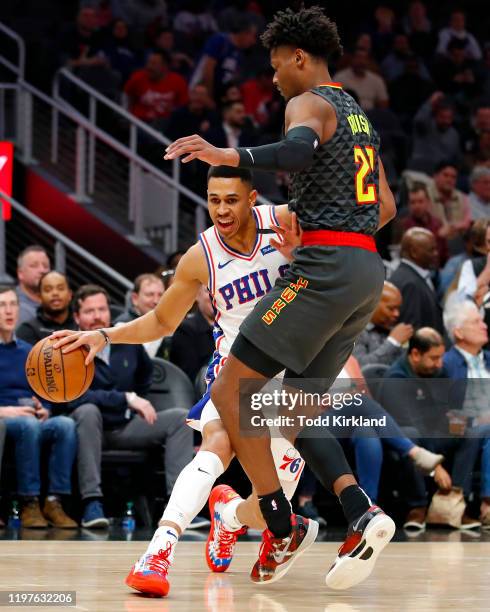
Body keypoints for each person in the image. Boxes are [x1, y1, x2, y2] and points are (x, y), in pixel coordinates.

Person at [54, 163, 388, 596]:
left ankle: (228, 515)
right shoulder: (201, 256)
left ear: (253, 199)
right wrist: (104, 334)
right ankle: (159, 551)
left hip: (290, 378)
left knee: (270, 507)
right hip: (235, 369)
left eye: (232, 200)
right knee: (216, 446)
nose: (222, 210)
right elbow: (161, 320)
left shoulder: (286, 222)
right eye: (214, 200)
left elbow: (353, 234)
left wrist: (307, 250)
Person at [162, 5, 397, 589]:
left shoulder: (308, 101)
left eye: (274, 67)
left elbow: (294, 153)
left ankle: (278, 520)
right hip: (367, 269)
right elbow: (386, 208)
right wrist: (322, 220)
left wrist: (227, 155)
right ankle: (360, 511)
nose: (272, 79)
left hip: (323, 270)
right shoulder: (357, 114)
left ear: (299, 58)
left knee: (229, 389)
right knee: (293, 404)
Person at [53, 284, 193, 529]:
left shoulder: (127, 340)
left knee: (181, 419)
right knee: (87, 411)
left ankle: (178, 508)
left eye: (102, 309)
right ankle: (91, 503)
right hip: (85, 430)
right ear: (76, 317)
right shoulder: (65, 350)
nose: (97, 316)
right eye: (89, 311)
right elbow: (72, 399)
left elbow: (145, 374)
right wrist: (126, 398)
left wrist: (136, 400)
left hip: (125, 426)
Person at [384, 328, 482, 530]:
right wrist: (436, 465)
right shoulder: (395, 378)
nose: (440, 363)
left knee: (471, 434)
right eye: (434, 358)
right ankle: (417, 506)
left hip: (434, 433)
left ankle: (455, 502)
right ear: (415, 354)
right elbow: (406, 424)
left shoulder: (439, 371)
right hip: (409, 441)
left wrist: (455, 420)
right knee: (412, 433)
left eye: (441, 357)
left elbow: (442, 411)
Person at [0, 286, 77, 529]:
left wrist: (45, 408)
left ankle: (54, 501)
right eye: (2, 305)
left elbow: (42, 388)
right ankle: (29, 502)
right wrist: (5, 411)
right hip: (7, 417)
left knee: (65, 425)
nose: (9, 311)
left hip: (30, 416)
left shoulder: (29, 350)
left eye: (13, 304)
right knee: (28, 425)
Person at [443, 300, 490, 528]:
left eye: (482, 320)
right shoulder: (446, 364)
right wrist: (476, 419)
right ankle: (487, 502)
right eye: (476, 322)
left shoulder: (488, 358)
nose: (484, 325)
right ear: (458, 332)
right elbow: (444, 411)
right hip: (465, 429)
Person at [353, 281, 413, 367]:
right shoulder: (355, 330)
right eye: (391, 308)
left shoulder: (393, 328)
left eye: (398, 308)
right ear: (373, 304)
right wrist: (393, 342)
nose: (397, 314)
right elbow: (360, 367)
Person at [124, 51, 188, 125]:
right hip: (137, 123)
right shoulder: (138, 77)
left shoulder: (178, 81)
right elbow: (126, 95)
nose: (149, 67)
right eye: (149, 63)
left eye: (154, 64)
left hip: (163, 126)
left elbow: (183, 106)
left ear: (165, 66)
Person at [16, 271, 76, 346]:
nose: (55, 293)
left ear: (70, 295)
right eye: (48, 290)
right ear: (39, 296)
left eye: (60, 288)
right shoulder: (27, 330)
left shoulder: (81, 325)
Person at [169, 285, 214, 382]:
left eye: (219, 290)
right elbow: (189, 379)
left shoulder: (234, 328)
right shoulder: (185, 330)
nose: (214, 296)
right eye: (208, 291)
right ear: (197, 295)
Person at [114, 273, 166, 358]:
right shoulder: (122, 326)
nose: (156, 301)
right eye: (150, 295)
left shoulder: (166, 325)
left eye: (160, 295)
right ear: (135, 298)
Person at [401, 183, 449, 264]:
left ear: (428, 202)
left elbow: (445, 255)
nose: (417, 206)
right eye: (413, 202)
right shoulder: (405, 225)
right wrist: (438, 236)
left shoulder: (437, 223)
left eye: (420, 201)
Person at [16, 246, 50, 326]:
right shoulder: (11, 304)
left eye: (45, 266)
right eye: (34, 266)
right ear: (20, 273)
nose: (42, 270)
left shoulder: (57, 304)